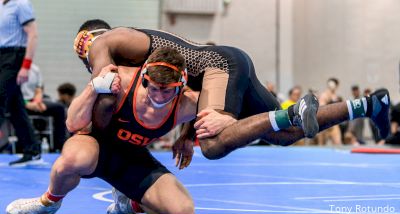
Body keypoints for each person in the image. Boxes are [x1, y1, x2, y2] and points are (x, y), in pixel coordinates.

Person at [73, 19, 391, 160]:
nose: (88, 64)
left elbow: (104, 82)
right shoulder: (129, 51)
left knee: (212, 146)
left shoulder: (106, 44)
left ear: (88, 43)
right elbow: (181, 90)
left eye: (84, 57)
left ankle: (294, 111)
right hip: (224, 64)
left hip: (219, 65)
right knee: (287, 135)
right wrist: (186, 134)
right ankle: (370, 105)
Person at [6, 48, 197, 214]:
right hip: (95, 146)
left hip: (133, 159)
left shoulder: (186, 104)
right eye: (153, 88)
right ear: (145, 77)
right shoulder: (122, 80)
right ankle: (48, 202)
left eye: (167, 91)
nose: (158, 97)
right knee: (72, 159)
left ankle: (128, 204)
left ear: (180, 85)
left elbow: (209, 109)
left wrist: (188, 136)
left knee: (182, 212)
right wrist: (94, 86)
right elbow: (71, 123)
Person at [0, 0, 42, 165]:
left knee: (0, 98)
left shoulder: (21, 4)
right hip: (2, 56)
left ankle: (32, 149)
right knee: (15, 106)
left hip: (14, 55)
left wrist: (26, 65)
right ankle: (32, 149)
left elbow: (33, 34)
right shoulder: (1, 5)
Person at [20, 64, 67, 151]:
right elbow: (12, 93)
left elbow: (39, 89)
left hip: (34, 101)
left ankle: (59, 145)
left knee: (59, 108)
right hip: (19, 103)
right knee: (16, 108)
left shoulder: (35, 69)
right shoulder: (12, 69)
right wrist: (26, 104)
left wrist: (37, 102)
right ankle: (23, 146)